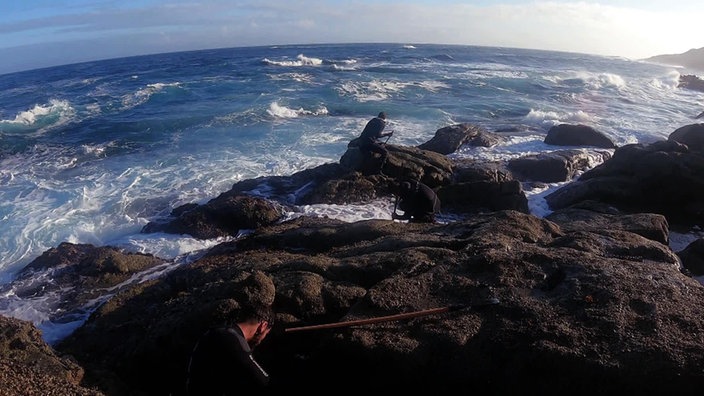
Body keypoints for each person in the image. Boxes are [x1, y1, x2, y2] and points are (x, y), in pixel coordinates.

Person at [186, 304, 275, 394]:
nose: (263, 339)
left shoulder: (217, 332)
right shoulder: (234, 340)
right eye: (266, 334)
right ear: (263, 326)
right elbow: (263, 381)